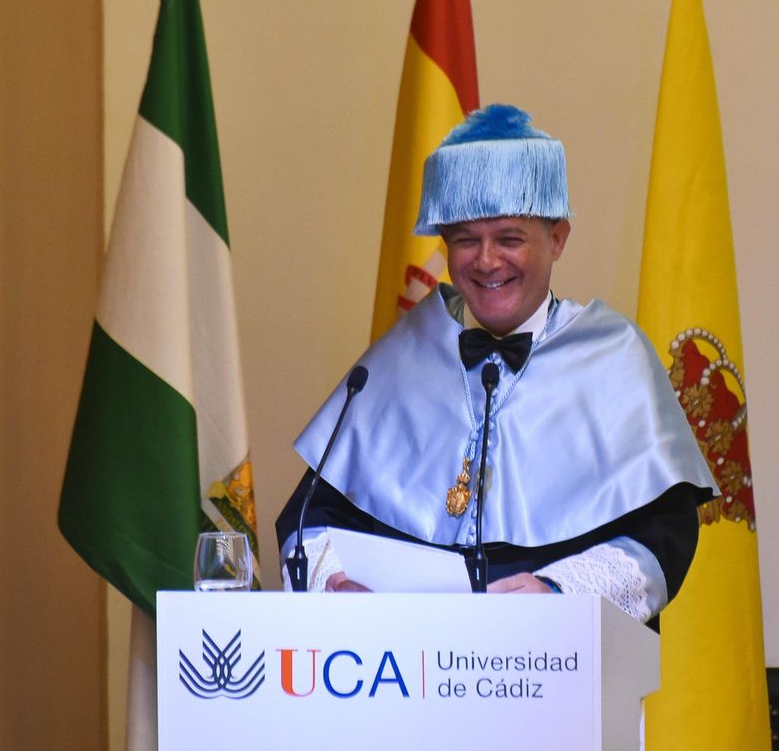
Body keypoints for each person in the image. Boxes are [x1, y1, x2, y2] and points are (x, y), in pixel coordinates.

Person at [274, 104, 715, 626]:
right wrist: (334, 584)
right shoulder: (401, 355)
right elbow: (311, 520)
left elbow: (661, 537)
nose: (486, 261)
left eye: (509, 239)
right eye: (466, 240)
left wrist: (559, 594)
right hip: (405, 674)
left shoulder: (615, 356)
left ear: (557, 239)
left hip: (560, 669)